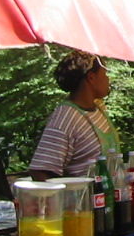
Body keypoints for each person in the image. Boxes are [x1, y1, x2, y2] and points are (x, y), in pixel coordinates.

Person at [30, 51, 119, 180]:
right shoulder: (65, 117)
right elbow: (40, 172)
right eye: (104, 74)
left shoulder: (98, 108)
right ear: (91, 78)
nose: (107, 79)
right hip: (84, 198)